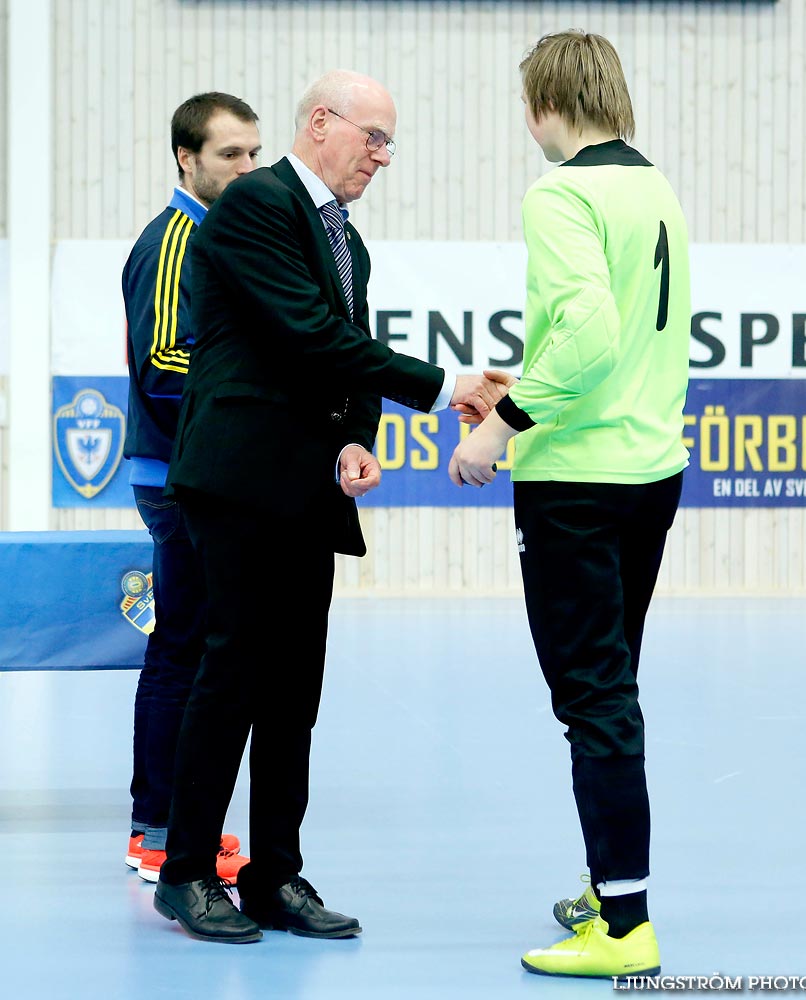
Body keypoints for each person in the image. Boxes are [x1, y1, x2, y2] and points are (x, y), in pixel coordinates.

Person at [152, 68, 512, 944]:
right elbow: (310, 333)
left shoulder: (344, 236)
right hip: (239, 482)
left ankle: (277, 876)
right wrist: (446, 386)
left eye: (390, 143)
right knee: (229, 674)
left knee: (293, 691)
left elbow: (342, 357)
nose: (383, 158)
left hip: (307, 486)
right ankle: (188, 872)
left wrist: (358, 437)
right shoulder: (257, 205)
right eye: (374, 138)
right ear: (322, 122)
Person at [448, 30, 691, 979]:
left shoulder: (562, 192)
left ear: (543, 104)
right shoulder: (654, 187)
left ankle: (625, 927)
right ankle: (612, 889)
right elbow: (614, 335)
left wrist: (500, 424)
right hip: (647, 470)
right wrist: (535, 375)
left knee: (593, 701)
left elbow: (587, 334)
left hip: (579, 484)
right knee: (611, 691)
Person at [122, 92, 262, 885]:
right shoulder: (175, 242)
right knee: (185, 651)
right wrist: (256, 392)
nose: (247, 170)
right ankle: (160, 829)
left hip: (200, 475)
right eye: (229, 155)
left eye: (254, 154)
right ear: (187, 158)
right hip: (179, 480)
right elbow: (164, 367)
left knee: (196, 648)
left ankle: (178, 822)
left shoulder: (216, 236)